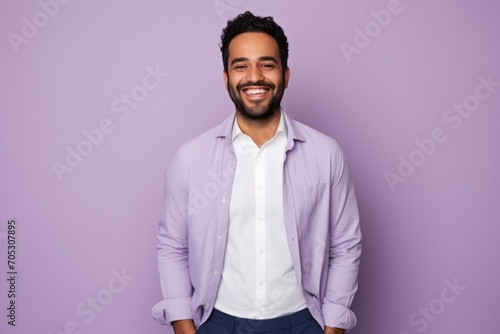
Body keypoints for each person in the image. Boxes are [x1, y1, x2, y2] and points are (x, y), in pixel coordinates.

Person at [152, 11, 362, 334]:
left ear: (285, 74)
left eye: (267, 64)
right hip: (218, 323)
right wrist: (183, 326)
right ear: (226, 78)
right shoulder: (190, 158)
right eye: (241, 65)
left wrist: (333, 328)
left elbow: (346, 245)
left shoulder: (326, 154)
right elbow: (171, 246)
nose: (255, 77)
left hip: (303, 323)